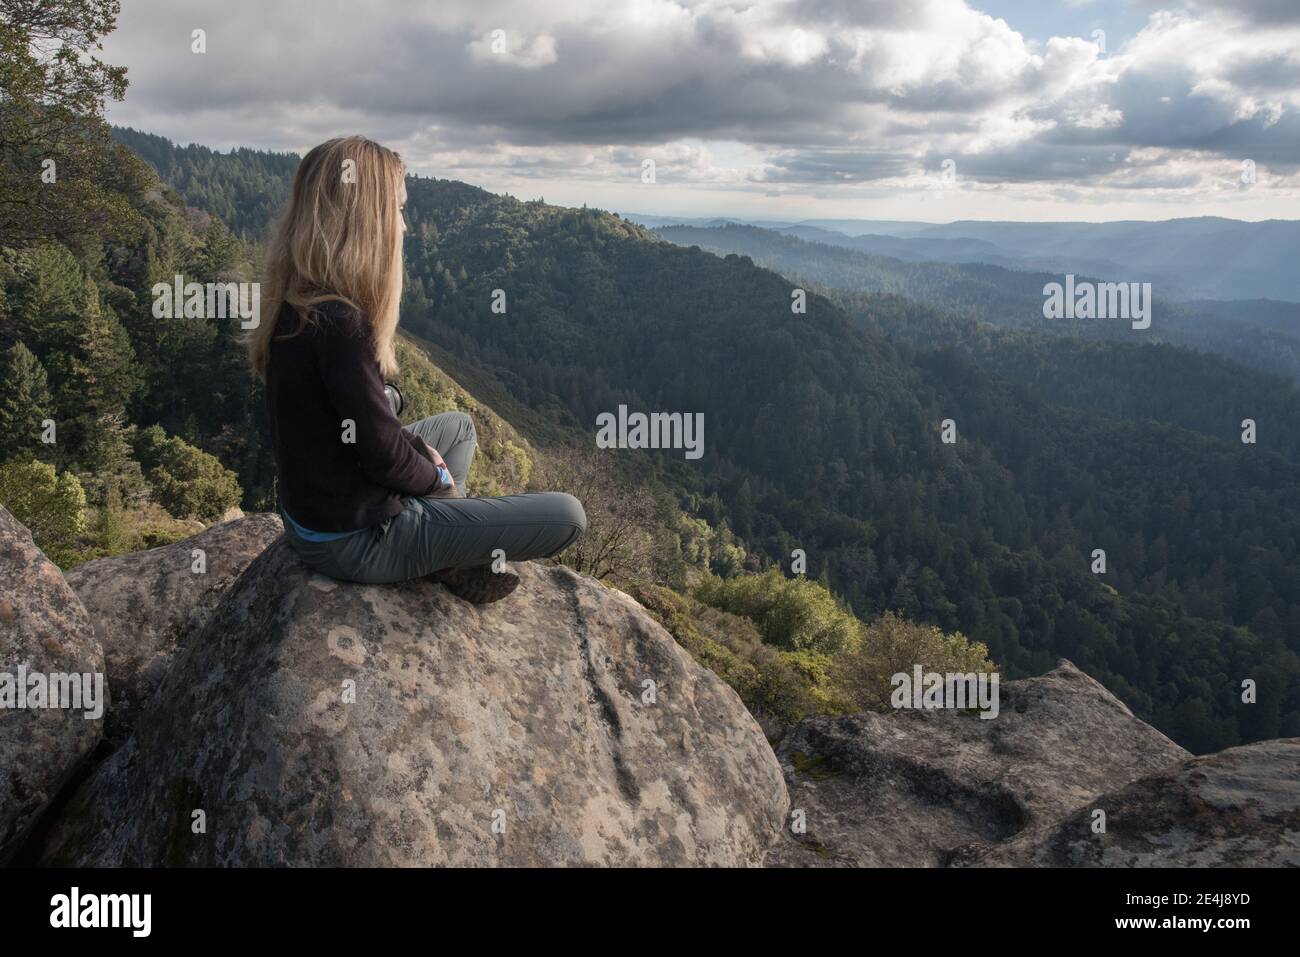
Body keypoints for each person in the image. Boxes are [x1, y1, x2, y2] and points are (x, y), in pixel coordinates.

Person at [248, 136, 586, 603]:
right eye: (398, 211)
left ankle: (447, 550)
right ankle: (446, 552)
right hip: (355, 540)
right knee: (568, 515)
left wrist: (420, 450)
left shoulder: (301, 301)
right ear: (364, 220)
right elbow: (382, 454)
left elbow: (365, 429)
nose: (405, 227)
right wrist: (436, 478)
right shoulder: (341, 323)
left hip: (318, 514)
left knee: (459, 427)